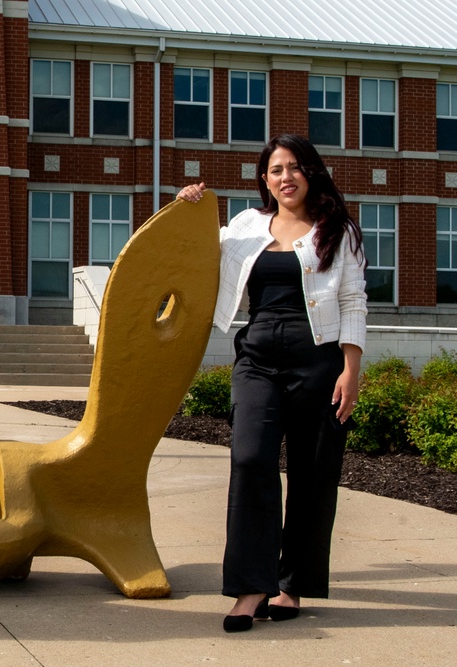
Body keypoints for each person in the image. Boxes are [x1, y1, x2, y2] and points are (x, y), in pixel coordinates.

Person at [177, 133, 367, 633]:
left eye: (295, 167)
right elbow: (195, 252)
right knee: (250, 458)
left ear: (311, 173)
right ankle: (250, 587)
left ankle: (291, 585)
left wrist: (352, 369)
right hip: (258, 352)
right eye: (277, 169)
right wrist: (184, 209)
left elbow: (353, 299)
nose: (287, 177)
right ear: (265, 179)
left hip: (319, 358)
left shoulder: (336, 230)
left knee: (311, 472)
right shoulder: (245, 226)